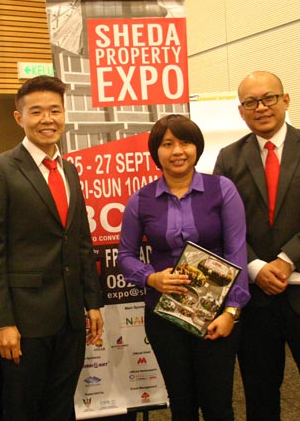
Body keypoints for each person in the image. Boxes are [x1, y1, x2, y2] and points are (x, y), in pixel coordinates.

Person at [213, 71, 300, 420]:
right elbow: (223, 224)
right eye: (250, 102)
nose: (260, 107)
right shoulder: (229, 158)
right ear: (242, 112)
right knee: (259, 391)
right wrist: (256, 267)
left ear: (285, 100)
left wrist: (288, 259)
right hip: (255, 296)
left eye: (268, 98)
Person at [0, 75, 104, 421]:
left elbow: (79, 241)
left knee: (61, 406)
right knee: (22, 408)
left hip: (70, 317)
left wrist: (92, 302)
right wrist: (2, 322)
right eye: (37, 112)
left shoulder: (70, 170)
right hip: (25, 320)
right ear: (20, 118)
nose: (47, 119)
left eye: (55, 111)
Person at [118, 114, 250, 420]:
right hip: (165, 316)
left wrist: (232, 311)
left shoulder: (222, 189)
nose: (177, 151)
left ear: (197, 148)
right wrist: (151, 278)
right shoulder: (141, 200)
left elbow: (237, 252)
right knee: (182, 404)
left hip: (215, 315)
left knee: (218, 405)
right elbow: (125, 255)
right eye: (167, 144)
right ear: (156, 152)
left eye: (185, 142)